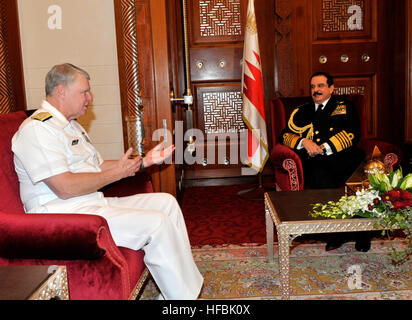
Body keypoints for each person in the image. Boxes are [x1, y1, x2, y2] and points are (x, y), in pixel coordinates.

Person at [12, 63, 203, 300]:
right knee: (157, 223)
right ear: (61, 91)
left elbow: (96, 167)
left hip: (89, 202)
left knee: (166, 204)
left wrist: (143, 161)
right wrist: (118, 173)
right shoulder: (37, 130)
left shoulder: (70, 126)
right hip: (62, 215)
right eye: (84, 92)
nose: (90, 98)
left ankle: (182, 292)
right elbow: (65, 187)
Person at [280, 72, 370, 252]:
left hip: (345, 156)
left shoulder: (345, 106)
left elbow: (353, 133)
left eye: (320, 86)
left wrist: (323, 147)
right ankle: (337, 234)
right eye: (313, 87)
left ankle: (363, 233)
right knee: (322, 181)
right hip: (317, 161)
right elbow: (284, 135)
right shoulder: (301, 111)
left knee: (360, 185)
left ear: (331, 88)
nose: (316, 90)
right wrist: (303, 142)